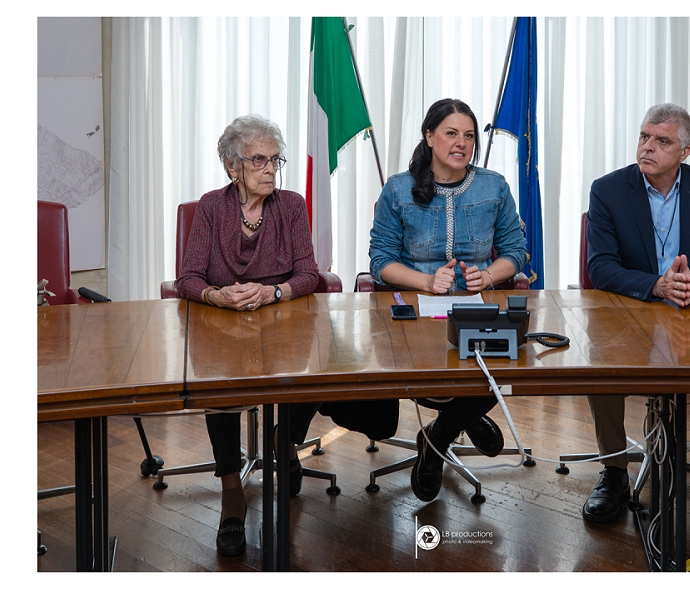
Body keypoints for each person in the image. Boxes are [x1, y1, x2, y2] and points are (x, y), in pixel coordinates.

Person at [176, 114, 397, 556]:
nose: (270, 169)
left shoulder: (291, 205)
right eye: (259, 160)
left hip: (283, 318)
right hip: (222, 322)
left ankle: (284, 442)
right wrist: (217, 296)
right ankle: (230, 491)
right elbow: (187, 279)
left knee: (312, 363)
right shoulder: (211, 207)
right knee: (217, 383)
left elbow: (308, 274)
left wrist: (272, 292)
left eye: (275, 160)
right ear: (231, 166)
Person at [582, 103, 690, 525]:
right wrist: (655, 285)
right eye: (645, 137)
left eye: (662, 141)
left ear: (685, 151)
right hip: (632, 308)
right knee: (599, 364)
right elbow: (600, 266)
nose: (648, 147)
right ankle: (613, 470)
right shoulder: (608, 189)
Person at [368, 98, 528, 502]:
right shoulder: (398, 189)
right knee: (438, 363)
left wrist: (488, 275)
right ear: (429, 136)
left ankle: (438, 436)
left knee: (510, 358)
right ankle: (465, 418)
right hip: (414, 310)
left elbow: (517, 250)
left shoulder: (494, 187)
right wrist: (425, 280)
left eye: (469, 135)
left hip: (475, 306)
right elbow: (380, 261)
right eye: (451, 133)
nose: (462, 143)